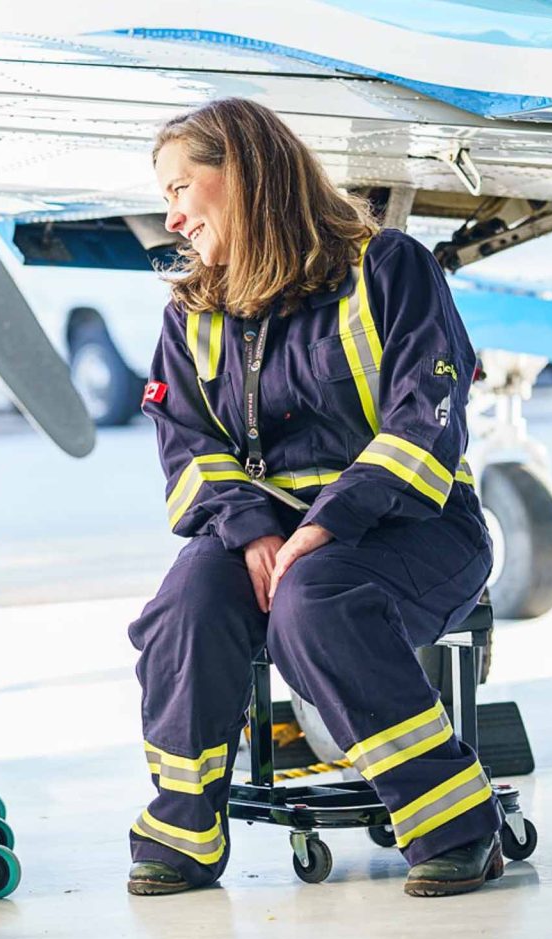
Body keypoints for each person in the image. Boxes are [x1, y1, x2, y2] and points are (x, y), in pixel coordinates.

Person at [128, 98, 503, 898]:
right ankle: (182, 829)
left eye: (179, 188)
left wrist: (327, 524)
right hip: (267, 535)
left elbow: (425, 421)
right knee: (187, 603)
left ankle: (457, 825)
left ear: (243, 173)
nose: (172, 216)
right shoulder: (190, 311)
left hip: (415, 526)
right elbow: (188, 446)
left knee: (316, 601)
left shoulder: (390, 266)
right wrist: (255, 531)